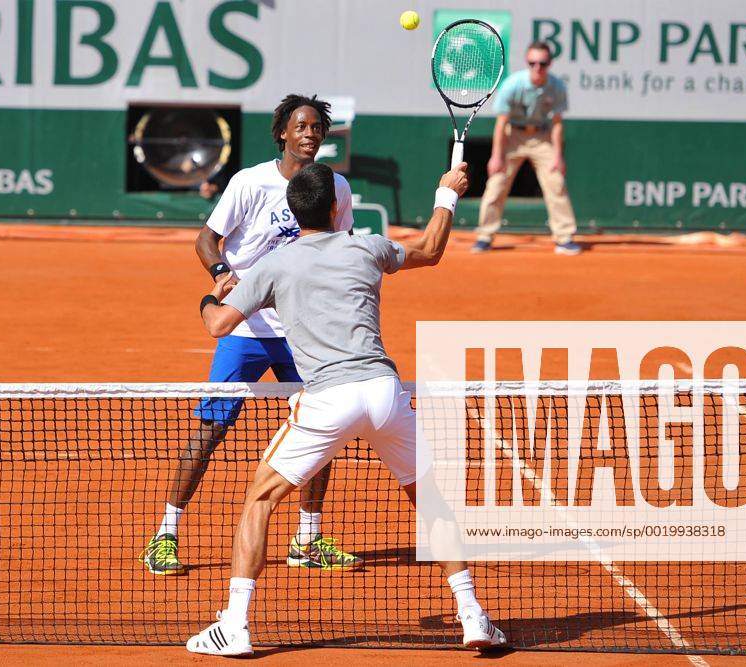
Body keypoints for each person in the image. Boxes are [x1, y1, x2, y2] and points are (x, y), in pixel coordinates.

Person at [185, 162, 507, 656]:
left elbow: (218, 326)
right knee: (432, 501)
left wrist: (211, 295)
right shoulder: (367, 246)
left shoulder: (273, 266)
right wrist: (446, 194)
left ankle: (234, 624)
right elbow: (430, 250)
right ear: (336, 208)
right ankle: (472, 616)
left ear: (293, 215)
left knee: (259, 499)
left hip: (328, 400)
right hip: (384, 394)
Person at [142, 94, 362, 575]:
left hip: (305, 330)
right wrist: (221, 272)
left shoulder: (335, 187)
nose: (309, 134)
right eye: (300, 126)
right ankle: (165, 533)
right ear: (283, 132)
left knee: (322, 429)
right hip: (247, 329)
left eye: (316, 128)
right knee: (211, 428)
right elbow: (207, 238)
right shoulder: (249, 183)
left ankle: (308, 539)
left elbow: (339, 248)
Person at [472, 41, 581, 255]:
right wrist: (497, 156)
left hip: (542, 136)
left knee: (556, 182)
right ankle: (485, 235)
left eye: (542, 63)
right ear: (527, 63)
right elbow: (501, 123)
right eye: (532, 63)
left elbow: (557, 124)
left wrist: (558, 156)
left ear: (549, 64)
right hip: (514, 135)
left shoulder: (557, 87)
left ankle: (564, 236)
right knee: (497, 182)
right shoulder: (513, 85)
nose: (537, 68)